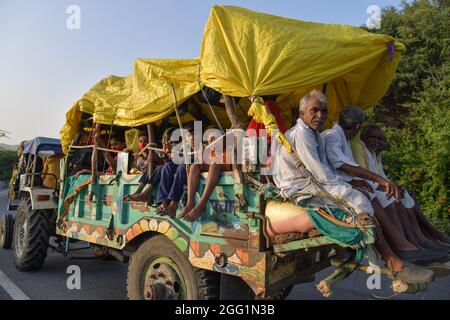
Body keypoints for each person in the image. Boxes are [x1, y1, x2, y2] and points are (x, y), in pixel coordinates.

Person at [271, 90, 434, 284]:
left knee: (360, 195)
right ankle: (393, 261)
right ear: (302, 113)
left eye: (324, 111)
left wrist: (350, 182)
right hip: (300, 187)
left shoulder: (315, 135)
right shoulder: (303, 135)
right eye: (315, 111)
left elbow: (328, 171)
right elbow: (321, 174)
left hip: (314, 182)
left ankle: (396, 255)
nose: (320, 116)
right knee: (358, 200)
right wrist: (349, 185)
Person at [321, 107, 448, 263]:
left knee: (392, 194)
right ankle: (402, 246)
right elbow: (341, 165)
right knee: (381, 196)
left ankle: (416, 241)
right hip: (331, 187)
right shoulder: (334, 136)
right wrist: (381, 181)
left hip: (344, 183)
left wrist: (364, 181)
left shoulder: (343, 138)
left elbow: (345, 170)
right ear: (358, 127)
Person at [352, 124, 450, 250]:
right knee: (393, 197)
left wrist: (394, 186)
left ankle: (422, 237)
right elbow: (364, 176)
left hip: (375, 186)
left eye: (380, 139)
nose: (378, 142)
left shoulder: (374, 154)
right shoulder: (359, 147)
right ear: (363, 136)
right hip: (366, 188)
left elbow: (381, 177)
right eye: (374, 138)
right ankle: (409, 241)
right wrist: (389, 187)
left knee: (407, 195)